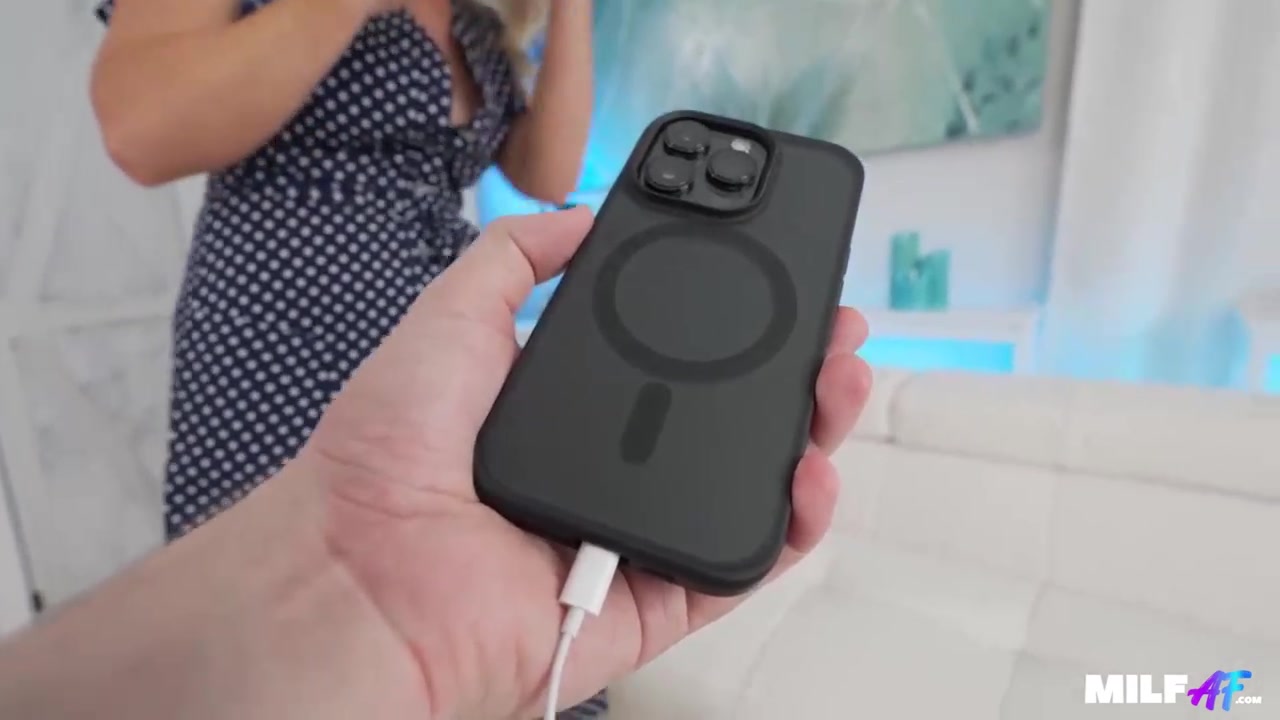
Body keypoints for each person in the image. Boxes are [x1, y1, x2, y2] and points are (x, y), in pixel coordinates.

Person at [0, 210, 873, 720]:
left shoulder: (494, 25)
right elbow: (144, 131)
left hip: (429, 298)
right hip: (283, 301)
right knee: (287, 561)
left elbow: (543, 164)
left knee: (533, 655)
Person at [90, 0, 594, 710]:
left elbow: (548, 173)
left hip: (442, 347)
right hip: (285, 338)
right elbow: (140, 130)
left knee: (478, 625)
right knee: (290, 644)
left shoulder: (473, 17)